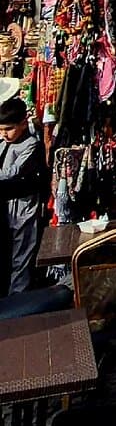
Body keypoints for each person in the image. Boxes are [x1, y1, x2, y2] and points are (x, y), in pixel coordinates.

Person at [0, 98, 47, 296]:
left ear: (23, 123)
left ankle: (17, 300)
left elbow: (12, 171)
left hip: (24, 206)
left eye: (8, 129)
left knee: (22, 254)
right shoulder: (3, 142)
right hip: (5, 205)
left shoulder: (31, 145)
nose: (4, 134)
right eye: (1, 129)